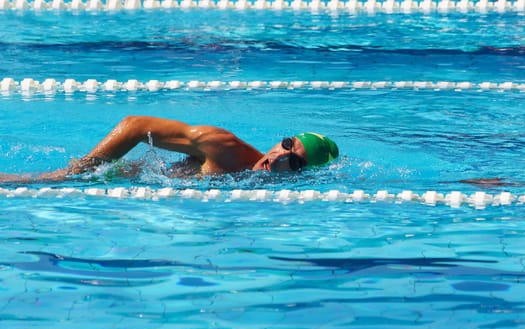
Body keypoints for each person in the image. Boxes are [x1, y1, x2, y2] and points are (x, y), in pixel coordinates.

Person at [0, 116, 339, 183]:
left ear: (301, 177)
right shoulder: (223, 147)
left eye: (294, 163)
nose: (279, 157)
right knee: (39, 180)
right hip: (115, 178)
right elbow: (133, 126)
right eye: (286, 145)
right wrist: (81, 170)